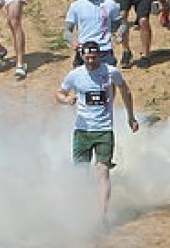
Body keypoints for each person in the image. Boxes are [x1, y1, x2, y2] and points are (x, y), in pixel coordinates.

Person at [57, 42, 140, 219]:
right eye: (87, 58)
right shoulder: (75, 75)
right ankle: (81, 210)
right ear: (82, 56)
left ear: (100, 56)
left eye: (94, 57)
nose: (91, 61)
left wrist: (130, 117)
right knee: (80, 173)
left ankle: (101, 214)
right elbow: (59, 93)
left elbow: (125, 90)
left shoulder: (111, 72)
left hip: (103, 130)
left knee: (103, 171)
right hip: (82, 131)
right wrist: (66, 100)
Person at [64, 0, 125, 66]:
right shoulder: (76, 6)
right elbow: (67, 30)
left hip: (104, 50)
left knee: (109, 79)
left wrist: (119, 33)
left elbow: (122, 24)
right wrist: (73, 41)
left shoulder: (110, 5)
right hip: (84, 51)